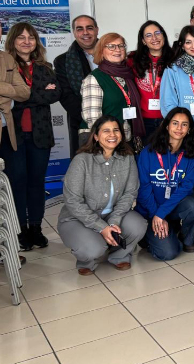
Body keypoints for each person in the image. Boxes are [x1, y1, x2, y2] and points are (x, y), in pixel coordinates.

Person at [58, 116, 146, 275]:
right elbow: (73, 201)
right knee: (94, 249)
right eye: (106, 131)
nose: (112, 134)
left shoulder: (127, 158)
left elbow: (130, 192)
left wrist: (114, 221)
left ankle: (120, 255)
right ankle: (86, 260)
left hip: (113, 214)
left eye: (116, 130)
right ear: (96, 136)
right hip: (78, 219)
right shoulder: (82, 160)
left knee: (138, 225)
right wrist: (102, 227)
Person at [5, 22, 58, 250]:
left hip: (40, 135)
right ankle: (21, 230)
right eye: (21, 37)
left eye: (31, 37)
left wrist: (22, 96)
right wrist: (36, 94)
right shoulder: (6, 66)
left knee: (37, 183)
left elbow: (56, 94)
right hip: (14, 136)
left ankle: (35, 228)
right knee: (18, 183)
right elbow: (6, 99)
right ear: (13, 41)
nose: (27, 41)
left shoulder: (45, 67)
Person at [135, 108, 194, 259]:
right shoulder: (148, 152)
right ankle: (150, 237)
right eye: (175, 123)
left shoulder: (192, 154)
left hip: (170, 208)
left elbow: (186, 187)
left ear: (189, 129)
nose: (179, 128)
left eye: (184, 124)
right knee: (168, 253)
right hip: (149, 212)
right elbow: (143, 189)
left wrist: (162, 213)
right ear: (167, 126)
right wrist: (156, 214)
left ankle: (186, 239)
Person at [80, 33, 145, 147]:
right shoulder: (94, 78)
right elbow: (93, 119)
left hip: (124, 138)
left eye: (121, 46)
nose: (117, 50)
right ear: (101, 51)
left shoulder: (127, 75)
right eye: (111, 46)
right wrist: (107, 139)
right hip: (101, 140)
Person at [56, 15, 100, 157]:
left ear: (97, 30)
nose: (85, 33)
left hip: (115, 121)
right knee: (85, 168)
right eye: (80, 29)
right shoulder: (63, 61)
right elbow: (66, 96)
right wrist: (92, 120)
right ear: (74, 33)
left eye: (89, 28)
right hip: (82, 124)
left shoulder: (114, 53)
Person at [128, 21, 173, 138]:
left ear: (163, 35)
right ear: (143, 41)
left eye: (157, 33)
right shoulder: (132, 60)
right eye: (148, 35)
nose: (154, 38)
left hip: (169, 119)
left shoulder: (175, 59)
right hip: (143, 120)